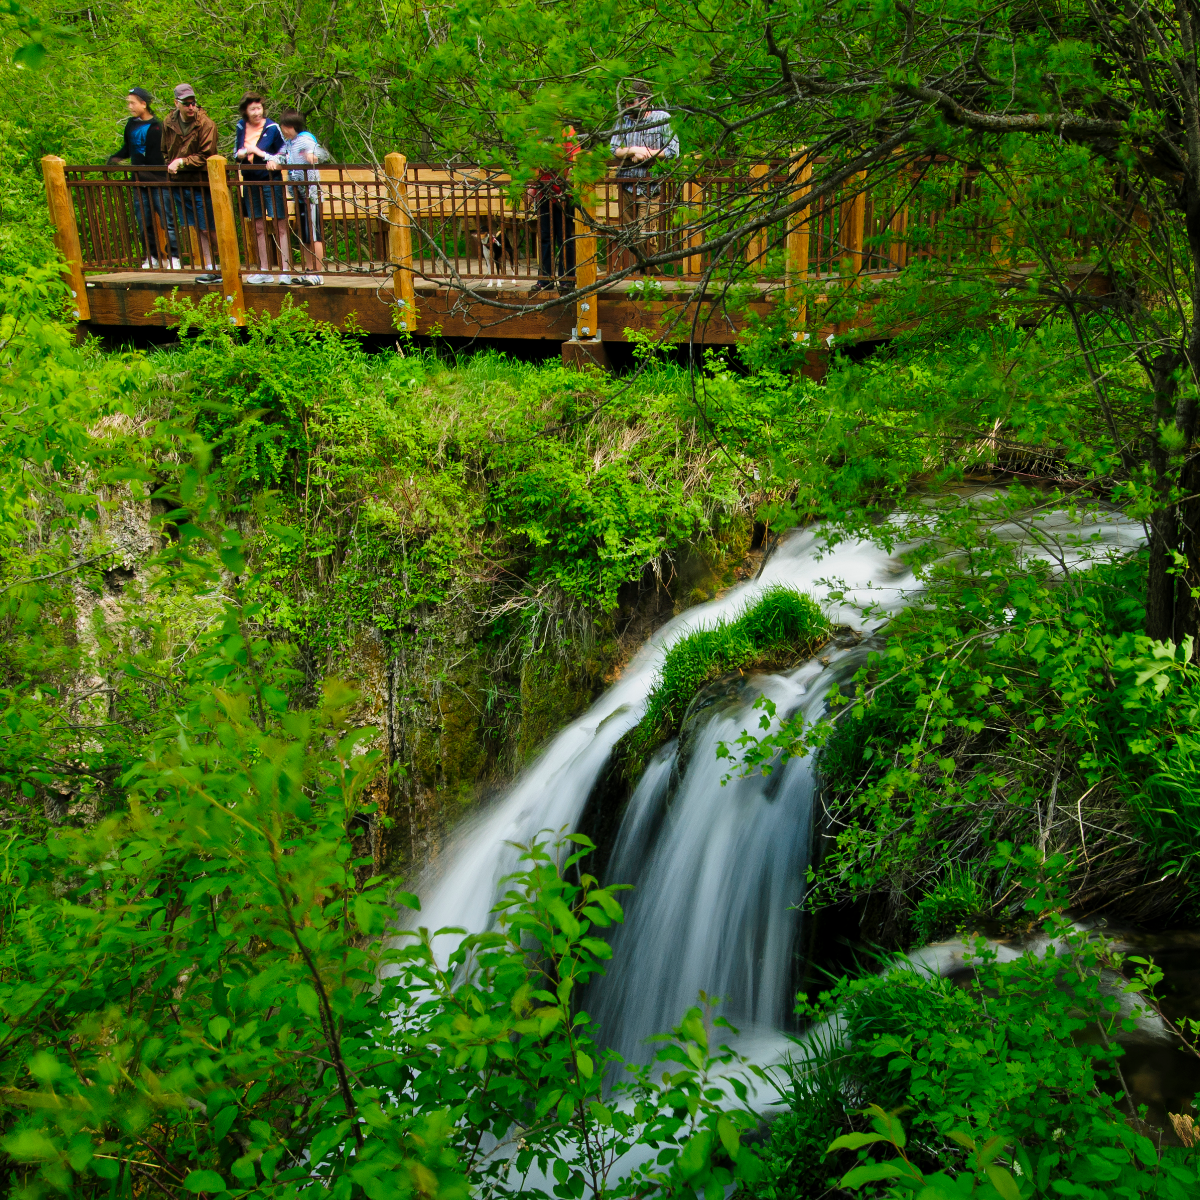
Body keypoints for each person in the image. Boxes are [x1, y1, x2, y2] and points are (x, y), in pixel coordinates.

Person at [608, 79, 679, 272]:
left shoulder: (661, 118)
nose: (628, 107)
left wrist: (646, 152)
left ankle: (653, 276)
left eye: (632, 102)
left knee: (645, 234)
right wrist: (632, 150)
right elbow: (614, 149)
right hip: (626, 186)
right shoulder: (623, 120)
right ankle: (643, 273)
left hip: (650, 186)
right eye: (626, 103)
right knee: (630, 236)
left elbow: (673, 151)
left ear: (644, 100)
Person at [106, 87, 180, 270]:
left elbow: (163, 152)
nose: (129, 106)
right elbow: (128, 148)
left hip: (158, 180)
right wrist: (115, 159)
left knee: (167, 220)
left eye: (133, 102)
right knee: (143, 221)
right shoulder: (131, 125)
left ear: (143, 104)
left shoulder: (157, 126)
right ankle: (152, 256)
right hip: (138, 181)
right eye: (128, 102)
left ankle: (174, 256)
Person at [162, 83, 221, 284]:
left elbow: (207, 155)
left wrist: (182, 162)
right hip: (180, 183)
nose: (190, 107)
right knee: (196, 227)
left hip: (201, 183)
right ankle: (211, 267)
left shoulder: (206, 124)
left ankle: (227, 265)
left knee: (208, 227)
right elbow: (165, 150)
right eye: (186, 103)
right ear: (176, 103)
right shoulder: (169, 122)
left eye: (193, 103)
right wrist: (170, 164)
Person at [234, 94, 289, 284]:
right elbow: (236, 151)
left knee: (279, 224)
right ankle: (264, 269)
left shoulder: (272, 127)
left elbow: (284, 152)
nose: (257, 113)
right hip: (250, 180)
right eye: (252, 109)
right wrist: (241, 153)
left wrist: (265, 155)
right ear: (245, 111)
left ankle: (285, 269)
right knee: (257, 226)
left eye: (259, 108)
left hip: (270, 180)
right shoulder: (241, 126)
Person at [269, 110, 326, 286]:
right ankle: (308, 270)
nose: (283, 129)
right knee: (305, 235)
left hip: (311, 194)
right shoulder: (289, 143)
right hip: (298, 194)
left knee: (314, 234)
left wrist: (313, 157)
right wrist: (274, 161)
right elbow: (281, 156)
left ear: (292, 126)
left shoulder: (305, 139)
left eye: (285, 126)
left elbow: (322, 154)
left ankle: (318, 272)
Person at [528, 125, 580, 297]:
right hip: (544, 191)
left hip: (563, 193)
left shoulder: (566, 131)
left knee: (564, 237)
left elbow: (575, 159)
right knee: (545, 237)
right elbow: (533, 162)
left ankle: (567, 279)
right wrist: (532, 187)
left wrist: (566, 188)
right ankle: (545, 279)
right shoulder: (539, 132)